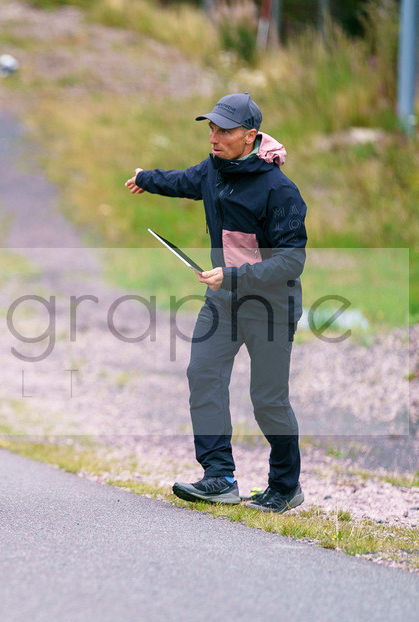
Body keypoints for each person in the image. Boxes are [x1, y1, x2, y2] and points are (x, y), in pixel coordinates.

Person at [124, 92, 308, 513]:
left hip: (270, 306)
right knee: (203, 375)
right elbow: (182, 181)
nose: (214, 136)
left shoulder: (279, 190)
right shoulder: (212, 171)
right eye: (211, 128)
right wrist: (147, 178)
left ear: (251, 136)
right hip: (223, 302)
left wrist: (235, 276)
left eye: (225, 130)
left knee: (268, 400)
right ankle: (219, 477)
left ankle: (284, 486)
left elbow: (291, 259)